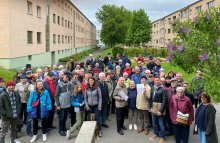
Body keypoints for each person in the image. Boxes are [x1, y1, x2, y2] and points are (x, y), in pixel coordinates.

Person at [149, 76, 167, 143]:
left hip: (160, 108)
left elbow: (165, 101)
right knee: (154, 122)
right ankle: (155, 133)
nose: (156, 81)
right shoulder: (152, 88)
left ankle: (162, 137)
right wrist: (150, 107)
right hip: (153, 107)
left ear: (160, 81)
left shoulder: (163, 89)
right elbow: (151, 98)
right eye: (155, 80)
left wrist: (160, 110)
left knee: (161, 124)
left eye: (158, 80)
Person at [55, 72, 72, 136]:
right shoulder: (59, 84)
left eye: (68, 77)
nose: (67, 78)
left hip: (67, 104)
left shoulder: (69, 84)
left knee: (65, 117)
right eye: (65, 77)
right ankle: (61, 130)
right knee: (61, 118)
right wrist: (58, 104)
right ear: (63, 77)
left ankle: (64, 127)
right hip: (61, 105)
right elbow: (56, 95)